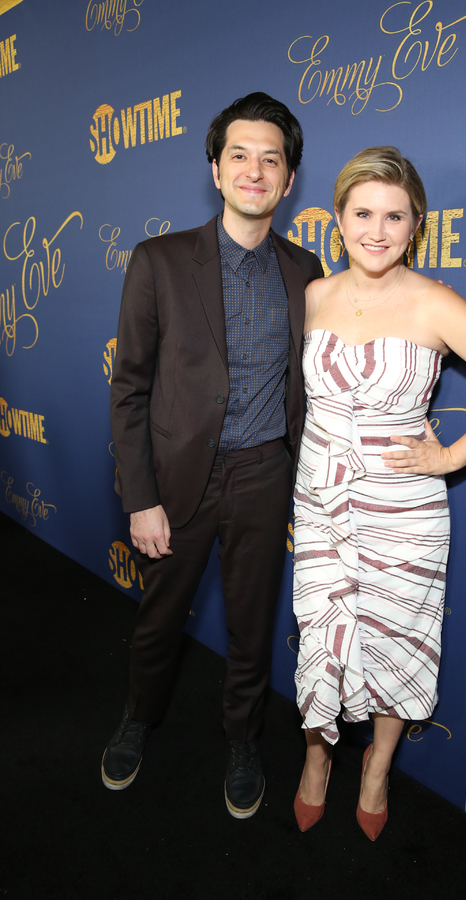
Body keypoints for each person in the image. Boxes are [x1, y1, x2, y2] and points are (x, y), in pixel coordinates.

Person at [291, 146, 466, 840]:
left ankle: (376, 766)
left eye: (394, 216)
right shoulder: (312, 296)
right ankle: (316, 758)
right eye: (363, 212)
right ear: (338, 219)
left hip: (402, 511)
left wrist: (450, 457)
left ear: (416, 226)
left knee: (398, 641)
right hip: (320, 505)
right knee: (321, 632)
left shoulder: (435, 303)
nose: (377, 230)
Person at [103, 92, 324, 819]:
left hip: (264, 474)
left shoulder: (306, 269)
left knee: (252, 625)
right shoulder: (159, 260)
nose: (255, 171)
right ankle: (138, 719)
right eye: (240, 155)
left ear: (289, 180)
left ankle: (242, 739)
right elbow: (130, 388)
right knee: (160, 618)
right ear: (215, 168)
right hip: (176, 481)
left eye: (272, 159)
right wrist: (139, 497)